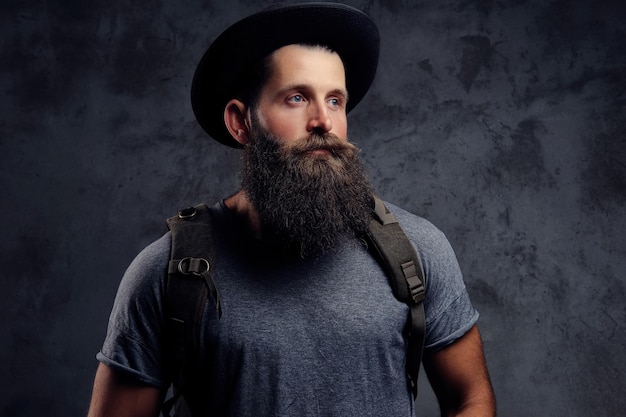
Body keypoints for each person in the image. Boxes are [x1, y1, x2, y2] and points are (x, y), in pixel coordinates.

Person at [87, 3, 496, 417]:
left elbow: (471, 399)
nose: (323, 121)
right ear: (240, 122)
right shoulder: (166, 273)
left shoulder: (416, 250)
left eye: (335, 100)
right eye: (296, 98)